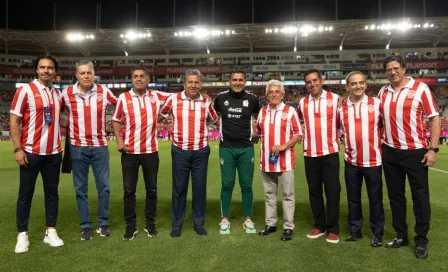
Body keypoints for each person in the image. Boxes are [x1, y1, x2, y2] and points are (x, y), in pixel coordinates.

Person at [378, 55, 440, 259]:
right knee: (396, 197)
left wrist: (433, 149)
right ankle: (400, 235)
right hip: (390, 152)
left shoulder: (420, 88)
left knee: (420, 197)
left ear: (404, 68)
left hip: (415, 152)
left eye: (396, 68)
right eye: (389, 69)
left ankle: (421, 240)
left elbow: (434, 118)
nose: (393, 72)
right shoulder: (382, 92)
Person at [10, 54, 64, 253]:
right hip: (31, 152)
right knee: (25, 194)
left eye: (50, 67)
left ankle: (51, 231)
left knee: (52, 194)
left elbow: (61, 119)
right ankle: (22, 234)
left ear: (55, 71)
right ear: (36, 70)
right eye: (42, 67)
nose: (46, 71)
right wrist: (18, 149)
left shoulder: (58, 94)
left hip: (54, 153)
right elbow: (14, 121)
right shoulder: (25, 90)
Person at [112, 66, 171, 240]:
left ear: (148, 79)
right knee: (129, 191)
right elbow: (116, 120)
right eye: (136, 77)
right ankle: (131, 226)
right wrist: (119, 140)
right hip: (129, 152)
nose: (139, 79)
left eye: (142, 76)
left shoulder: (156, 96)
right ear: (132, 79)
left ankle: (150, 224)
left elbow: (177, 98)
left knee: (151, 190)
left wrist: (202, 95)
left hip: (151, 151)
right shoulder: (123, 97)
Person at [62, 60, 117, 240]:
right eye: (83, 73)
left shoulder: (104, 92)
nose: (86, 76)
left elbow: (122, 107)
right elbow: (55, 112)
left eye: (89, 73)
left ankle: (103, 223)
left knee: (104, 187)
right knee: (80, 188)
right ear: (76, 75)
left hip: (100, 146)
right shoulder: (67, 93)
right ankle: (86, 225)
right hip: (77, 147)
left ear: (94, 74)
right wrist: (68, 125)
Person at [160, 69, 218, 238]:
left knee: (199, 188)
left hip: (200, 150)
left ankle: (198, 223)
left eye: (196, 82)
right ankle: (177, 224)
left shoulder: (205, 102)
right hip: (180, 150)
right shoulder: (173, 99)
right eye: (190, 82)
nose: (193, 85)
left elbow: (214, 119)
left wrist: (211, 102)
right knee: (179, 188)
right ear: (184, 83)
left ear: (200, 84)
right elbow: (160, 116)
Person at [339, 71, 385, 246]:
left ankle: (377, 232)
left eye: (360, 83)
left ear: (365, 84)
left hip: (373, 161)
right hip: (351, 161)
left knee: (375, 199)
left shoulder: (377, 104)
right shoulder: (341, 108)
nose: (357, 86)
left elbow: (386, 126)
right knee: (353, 199)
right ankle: (355, 230)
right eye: (353, 83)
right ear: (347, 87)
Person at [213, 69, 261, 235]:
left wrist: (257, 131)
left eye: (241, 80)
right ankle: (224, 219)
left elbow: (260, 118)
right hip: (226, 148)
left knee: (246, 185)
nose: (238, 82)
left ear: (245, 81)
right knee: (227, 185)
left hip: (246, 148)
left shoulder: (253, 100)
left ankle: (248, 219)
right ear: (230, 81)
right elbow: (214, 116)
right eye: (235, 79)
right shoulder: (220, 99)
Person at [298, 69, 341, 243]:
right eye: (309, 82)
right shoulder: (302, 103)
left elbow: (341, 121)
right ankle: (319, 225)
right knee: (314, 192)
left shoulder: (335, 99)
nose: (312, 84)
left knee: (332, 191)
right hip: (310, 154)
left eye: (315, 80)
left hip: (330, 153)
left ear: (321, 81)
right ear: (306, 84)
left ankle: (333, 228)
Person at [257, 80, 302, 241]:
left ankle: (288, 227)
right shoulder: (262, 112)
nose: (274, 94)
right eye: (271, 92)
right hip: (266, 161)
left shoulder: (290, 111)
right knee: (269, 195)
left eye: (277, 92)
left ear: (283, 94)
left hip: (286, 161)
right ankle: (271, 224)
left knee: (287, 195)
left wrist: (284, 145)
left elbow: (298, 134)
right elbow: (259, 131)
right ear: (267, 95)